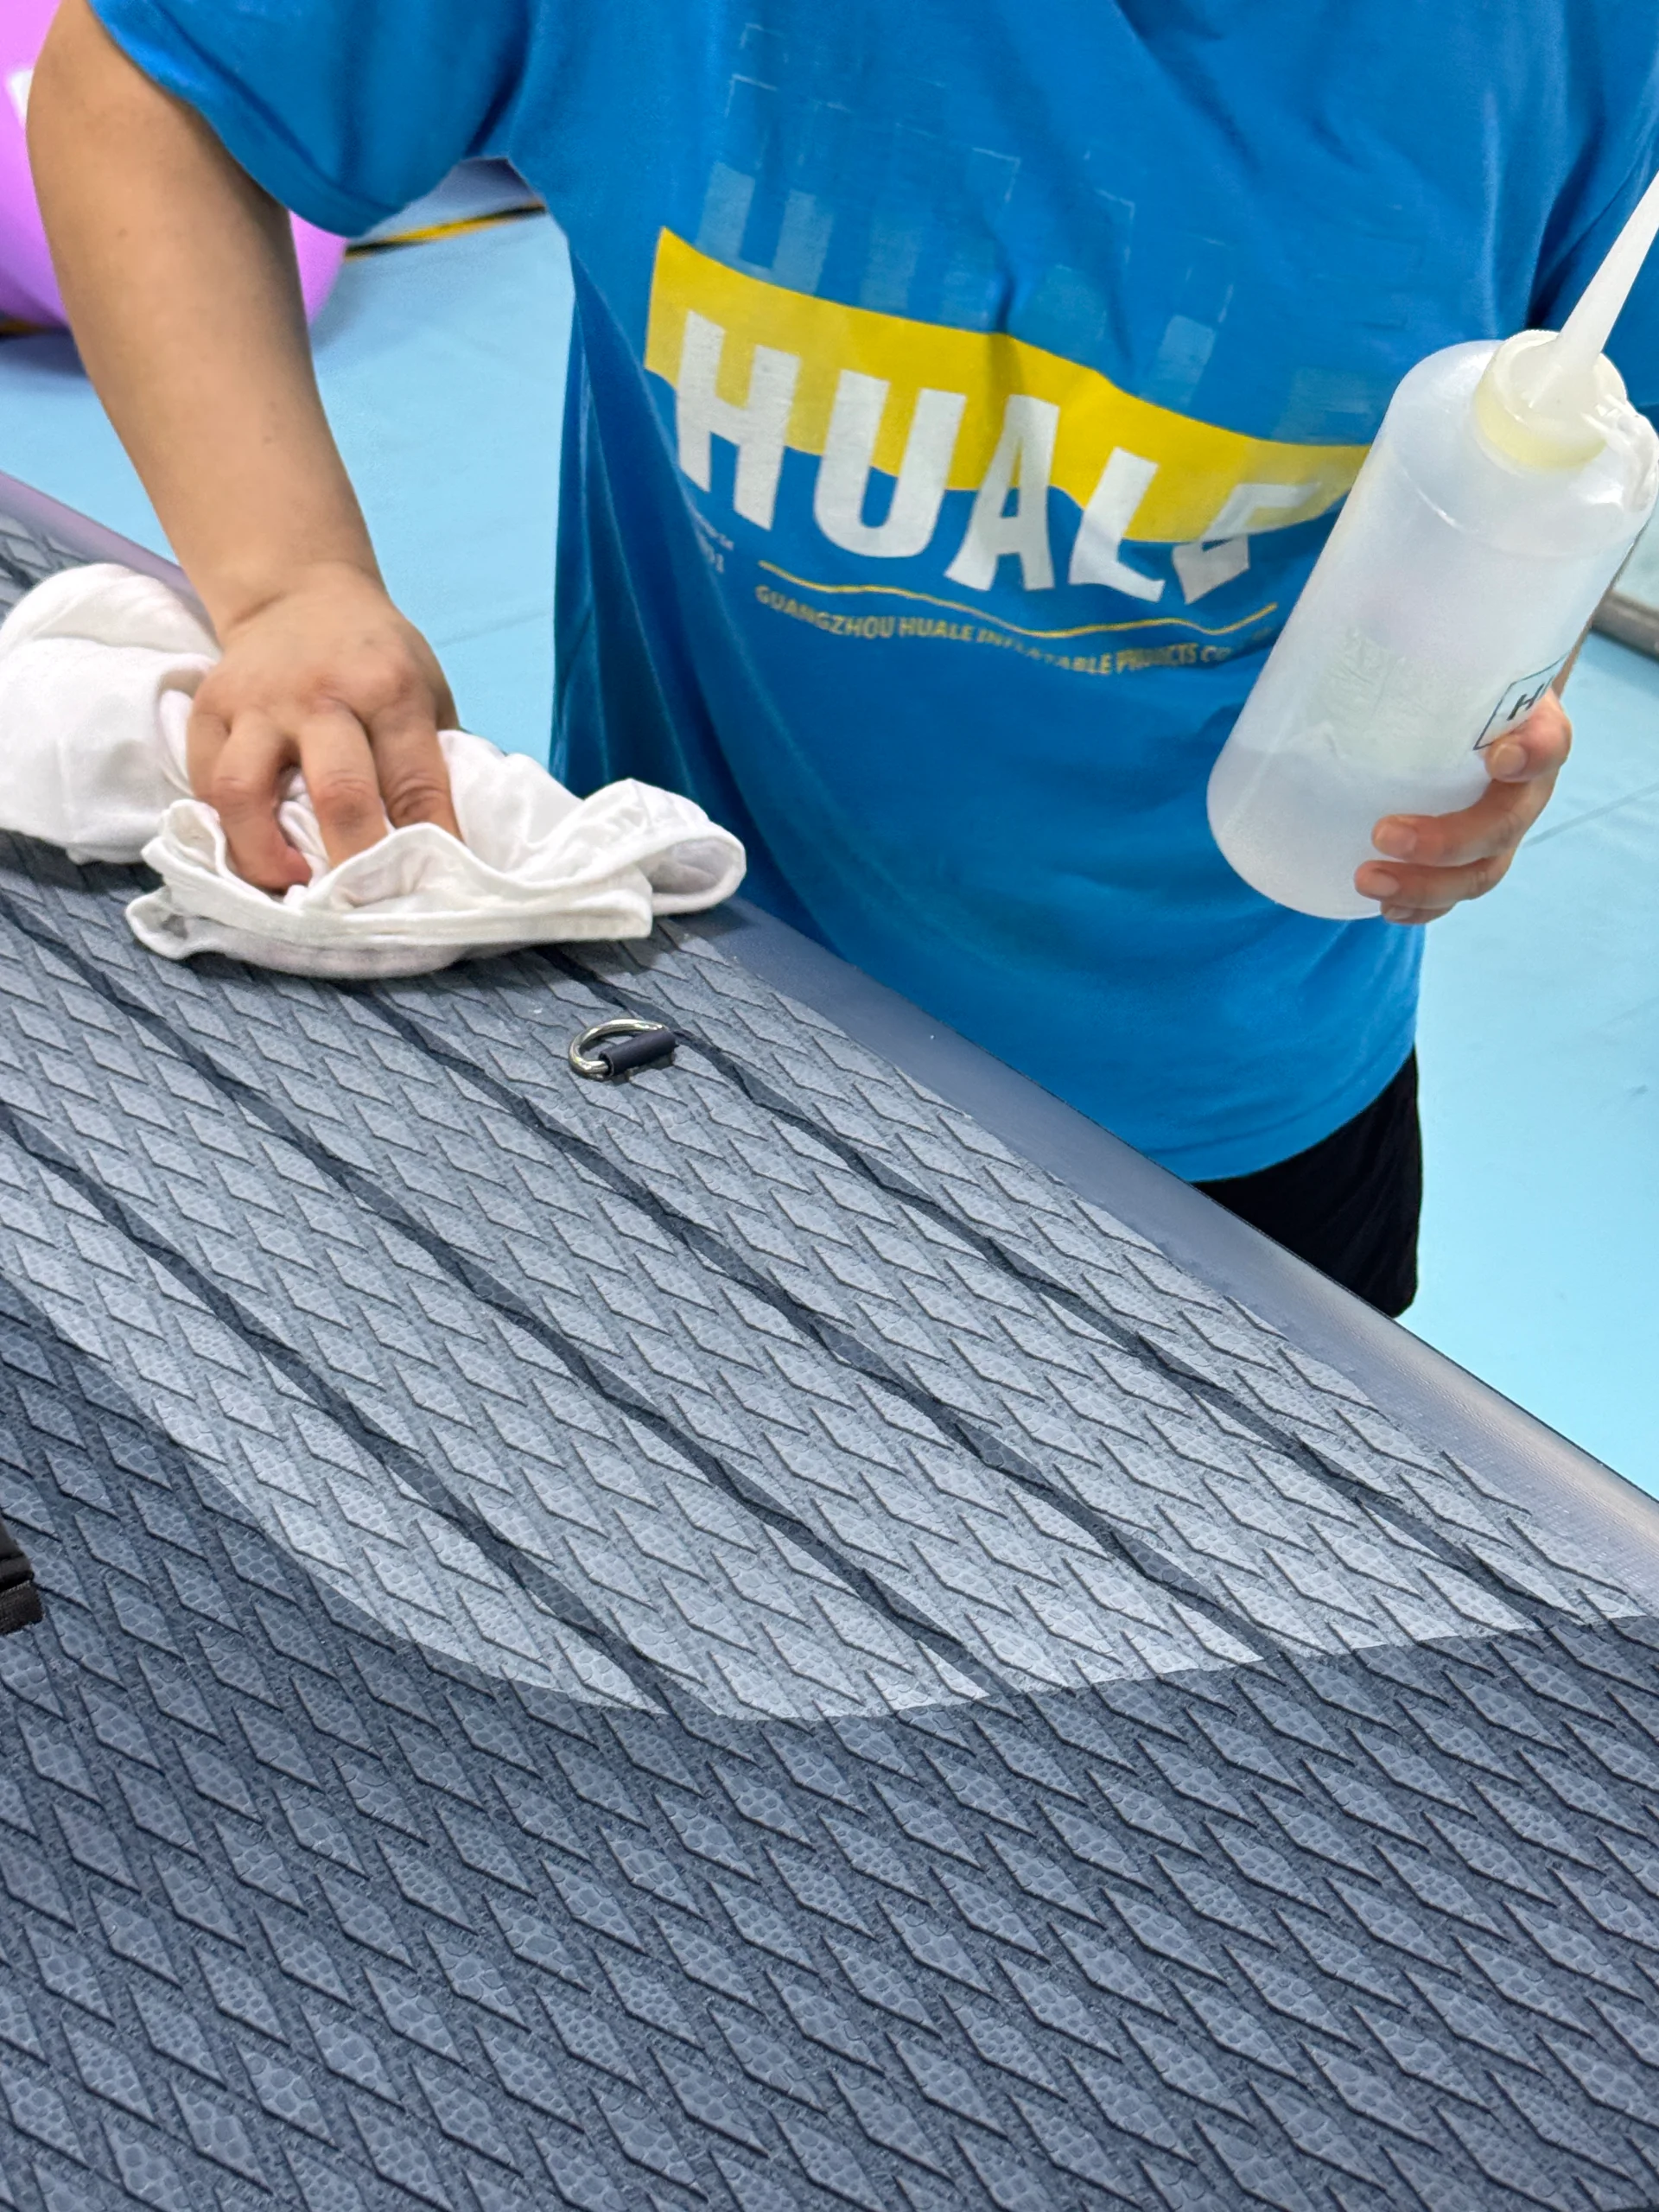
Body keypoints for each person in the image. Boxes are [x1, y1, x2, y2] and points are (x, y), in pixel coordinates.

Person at [30, 0, 1655, 1318]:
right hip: (704, 1021)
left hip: (1236, 1080)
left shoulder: (1572, 48)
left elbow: (1583, 427)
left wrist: (1495, 687)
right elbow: (142, 94)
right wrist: (291, 578)